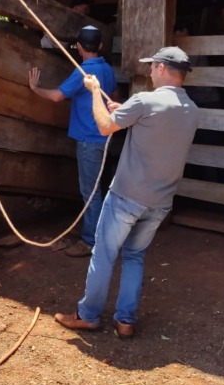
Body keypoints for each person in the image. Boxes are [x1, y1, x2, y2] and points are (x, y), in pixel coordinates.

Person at [54, 46, 199, 338]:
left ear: (160, 68)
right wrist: (126, 112)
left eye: (151, 67)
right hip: (160, 202)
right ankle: (125, 321)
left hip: (127, 196)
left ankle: (88, 315)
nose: (148, 72)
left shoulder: (145, 100)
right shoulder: (191, 110)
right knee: (134, 256)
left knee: (104, 254)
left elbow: (106, 127)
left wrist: (95, 91)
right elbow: (155, 128)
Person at [26, 25, 117, 256]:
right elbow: (114, 96)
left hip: (89, 139)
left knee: (90, 192)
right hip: (104, 136)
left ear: (78, 48)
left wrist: (35, 89)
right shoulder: (107, 69)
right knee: (98, 187)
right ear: (100, 46)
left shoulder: (84, 72)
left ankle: (91, 241)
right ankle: (100, 232)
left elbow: (57, 95)